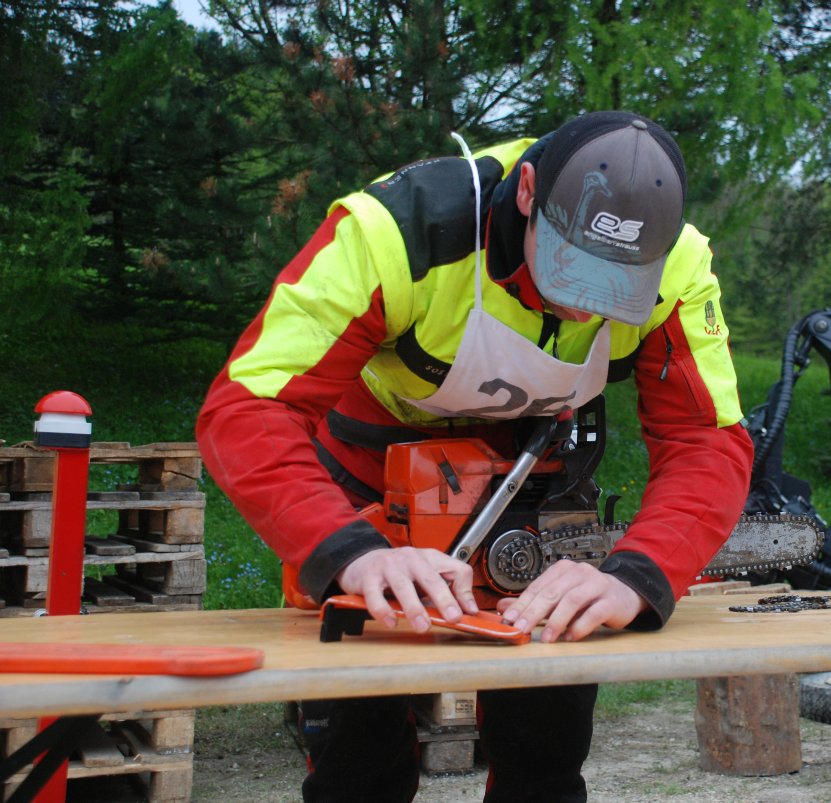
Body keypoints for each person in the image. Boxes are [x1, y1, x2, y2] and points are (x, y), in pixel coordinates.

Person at [196, 110, 753, 802]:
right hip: (370, 489)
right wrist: (350, 552)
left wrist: (638, 576)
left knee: (545, 762)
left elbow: (707, 440)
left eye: (615, 286)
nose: (585, 309)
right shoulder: (394, 233)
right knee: (358, 766)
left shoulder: (680, 265)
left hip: (534, 485)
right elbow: (248, 408)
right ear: (527, 193)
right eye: (572, 269)